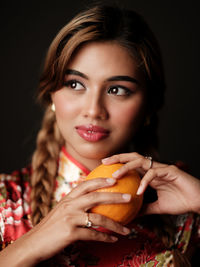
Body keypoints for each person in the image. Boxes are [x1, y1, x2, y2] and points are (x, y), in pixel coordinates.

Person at [0, 4, 199, 267]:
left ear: (149, 106)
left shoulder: (184, 204)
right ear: (51, 95)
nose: (93, 110)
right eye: (75, 84)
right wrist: (31, 244)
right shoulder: (6, 202)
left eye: (117, 90)